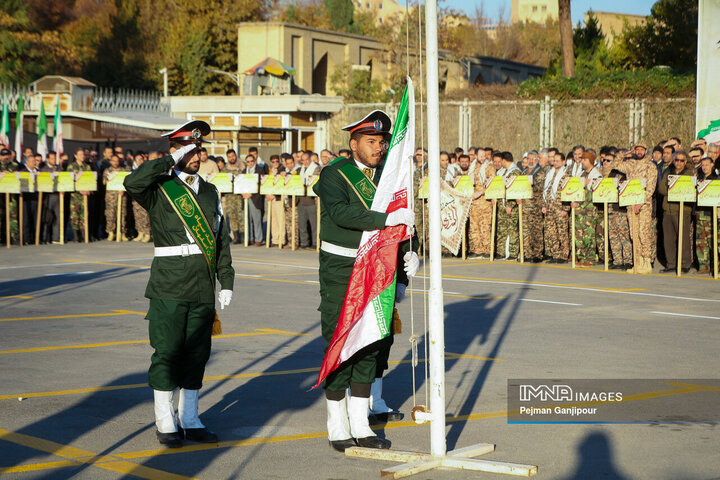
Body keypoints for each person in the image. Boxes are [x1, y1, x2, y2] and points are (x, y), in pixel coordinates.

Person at [123, 120, 234, 448]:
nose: (197, 156)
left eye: (200, 150)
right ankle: (165, 419)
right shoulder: (159, 187)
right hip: (169, 284)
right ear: (175, 151)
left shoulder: (210, 190)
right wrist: (169, 161)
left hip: (202, 284)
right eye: (191, 150)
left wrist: (225, 280)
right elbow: (132, 182)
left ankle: (190, 417)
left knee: (197, 354)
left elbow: (219, 241)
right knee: (168, 352)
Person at [313, 110, 417, 452]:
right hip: (342, 271)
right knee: (341, 343)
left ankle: (361, 422)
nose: (378, 147)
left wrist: (407, 260)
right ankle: (337, 424)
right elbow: (343, 213)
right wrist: (386, 217)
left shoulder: (388, 177)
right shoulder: (334, 175)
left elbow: (402, 225)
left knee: (371, 344)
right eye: (371, 141)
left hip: (378, 271)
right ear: (353, 143)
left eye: (382, 141)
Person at [657, 151, 694, 273]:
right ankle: (671, 264)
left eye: (682, 160)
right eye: (677, 160)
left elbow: (688, 190)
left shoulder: (689, 174)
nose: (679, 163)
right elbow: (662, 188)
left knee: (683, 238)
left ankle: (685, 264)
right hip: (668, 210)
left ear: (685, 162)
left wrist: (673, 188)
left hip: (682, 210)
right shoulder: (668, 172)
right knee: (668, 239)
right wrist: (674, 190)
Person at [542, 151, 570, 263]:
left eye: (558, 160)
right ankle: (555, 254)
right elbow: (546, 190)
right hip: (550, 207)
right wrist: (544, 205)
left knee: (562, 232)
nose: (555, 163)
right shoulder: (550, 174)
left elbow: (569, 192)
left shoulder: (566, 175)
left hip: (560, 207)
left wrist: (566, 208)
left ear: (563, 162)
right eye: (554, 160)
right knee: (550, 232)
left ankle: (563, 255)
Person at [66, 148, 92, 242]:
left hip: (85, 196)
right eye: (80, 154)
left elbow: (91, 180)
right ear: (75, 156)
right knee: (75, 215)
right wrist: (79, 189)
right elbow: (69, 181)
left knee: (84, 215)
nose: (82, 156)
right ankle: (76, 237)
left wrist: (89, 189)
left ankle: (84, 236)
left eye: (83, 154)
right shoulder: (71, 167)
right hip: (75, 196)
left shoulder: (87, 167)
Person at [242, 153, 268, 245]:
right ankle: (249, 238)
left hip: (255, 198)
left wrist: (251, 193)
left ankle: (258, 239)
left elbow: (261, 184)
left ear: (255, 161)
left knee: (257, 220)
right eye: (248, 161)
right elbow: (240, 184)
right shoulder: (244, 171)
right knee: (247, 219)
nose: (250, 163)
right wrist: (243, 193)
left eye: (252, 161)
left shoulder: (260, 170)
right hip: (245, 198)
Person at [103, 154, 130, 241]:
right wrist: (107, 180)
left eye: (117, 161)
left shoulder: (124, 170)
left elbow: (128, 182)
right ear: (110, 161)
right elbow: (104, 182)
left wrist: (123, 189)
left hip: (121, 195)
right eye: (113, 160)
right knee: (110, 215)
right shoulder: (107, 171)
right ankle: (111, 233)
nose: (115, 162)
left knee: (122, 214)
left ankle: (122, 233)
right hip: (110, 197)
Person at [220, 149, 244, 244]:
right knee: (232, 217)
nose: (232, 158)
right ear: (227, 158)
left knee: (241, 216)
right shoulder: (224, 170)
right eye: (229, 156)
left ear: (236, 156)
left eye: (233, 156)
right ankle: (236, 237)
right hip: (229, 196)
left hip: (240, 196)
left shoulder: (242, 167)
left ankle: (243, 237)